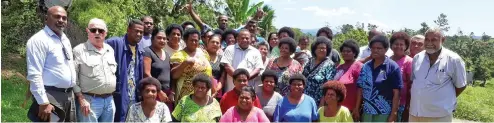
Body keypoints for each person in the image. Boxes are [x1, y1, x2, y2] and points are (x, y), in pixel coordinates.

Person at [26, 6, 76, 122]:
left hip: (68, 95)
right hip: (50, 97)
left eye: (64, 18)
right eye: (57, 16)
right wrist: (43, 102)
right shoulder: (39, 40)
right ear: (46, 18)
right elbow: (34, 74)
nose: (61, 20)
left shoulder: (64, 39)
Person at [409, 28, 467, 122]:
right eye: (427, 39)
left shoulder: (453, 60)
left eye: (434, 40)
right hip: (415, 113)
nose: (429, 43)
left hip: (439, 115)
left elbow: (461, 86)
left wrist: (444, 99)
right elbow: (414, 82)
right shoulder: (417, 58)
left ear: (443, 40)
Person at [73, 18, 116, 122]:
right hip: (89, 102)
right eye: (93, 30)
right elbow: (73, 78)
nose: (97, 33)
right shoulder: (79, 50)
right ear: (88, 31)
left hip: (109, 101)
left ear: (105, 33)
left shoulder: (109, 50)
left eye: (101, 30)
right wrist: (81, 99)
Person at [355, 35, 403, 122]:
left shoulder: (392, 67)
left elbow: (397, 93)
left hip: (384, 113)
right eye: (373, 48)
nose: (375, 50)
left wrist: (393, 114)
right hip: (367, 112)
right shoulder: (366, 66)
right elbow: (360, 88)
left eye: (379, 48)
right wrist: (356, 108)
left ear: (385, 50)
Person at [106, 19, 145, 122]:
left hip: (134, 95)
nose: (139, 34)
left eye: (141, 32)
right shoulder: (115, 43)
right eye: (136, 31)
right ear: (128, 30)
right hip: (118, 93)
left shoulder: (140, 50)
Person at [170, 28, 213, 103]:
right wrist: (185, 63)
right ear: (185, 41)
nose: (194, 42)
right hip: (186, 96)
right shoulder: (179, 55)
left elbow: (209, 72)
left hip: (205, 93)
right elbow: (174, 76)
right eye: (191, 40)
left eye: (196, 40)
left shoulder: (204, 53)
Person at [142, 28, 174, 111]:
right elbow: (146, 73)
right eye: (159, 38)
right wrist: (159, 91)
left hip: (167, 94)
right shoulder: (147, 52)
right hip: (153, 93)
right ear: (152, 38)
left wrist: (172, 93)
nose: (162, 40)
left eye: (164, 39)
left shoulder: (167, 54)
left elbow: (171, 75)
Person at [332, 39, 362, 120]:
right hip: (338, 108)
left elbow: (361, 89)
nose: (345, 53)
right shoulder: (339, 67)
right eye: (343, 51)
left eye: (348, 51)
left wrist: (357, 108)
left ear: (354, 53)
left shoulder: (358, 66)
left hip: (352, 109)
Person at [303, 37, 336, 106]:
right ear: (315, 49)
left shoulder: (330, 65)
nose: (321, 50)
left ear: (327, 50)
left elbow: (328, 85)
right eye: (319, 48)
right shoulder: (309, 61)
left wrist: (323, 101)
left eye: (324, 48)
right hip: (304, 98)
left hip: (318, 101)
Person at [389, 32, 413, 122]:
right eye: (396, 44)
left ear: (406, 46)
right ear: (391, 45)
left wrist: (407, 106)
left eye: (401, 44)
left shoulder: (409, 62)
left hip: (401, 104)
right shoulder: (387, 60)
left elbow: (411, 85)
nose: (398, 46)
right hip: (386, 102)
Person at [206, 34, 226, 100]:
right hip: (203, 88)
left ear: (220, 45)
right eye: (212, 42)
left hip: (217, 91)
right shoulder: (202, 56)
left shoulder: (222, 59)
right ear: (208, 42)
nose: (215, 44)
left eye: (217, 43)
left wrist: (216, 89)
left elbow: (222, 77)